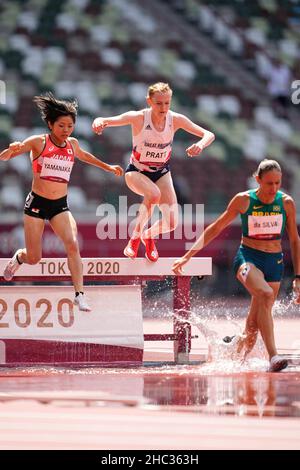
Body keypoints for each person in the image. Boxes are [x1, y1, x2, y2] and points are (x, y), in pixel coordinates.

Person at [173, 159, 300, 372]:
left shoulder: (286, 203)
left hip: (274, 263)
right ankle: (274, 356)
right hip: (248, 259)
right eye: (269, 183)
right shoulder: (243, 201)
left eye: (277, 183)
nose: (274, 188)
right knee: (265, 293)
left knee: (252, 327)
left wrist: (298, 277)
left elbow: (295, 240)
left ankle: (232, 355)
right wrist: (188, 255)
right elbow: (216, 228)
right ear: (257, 179)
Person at [0, 92, 123, 311]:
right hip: (36, 205)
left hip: (59, 206)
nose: (66, 130)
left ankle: (79, 294)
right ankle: (19, 258)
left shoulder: (72, 144)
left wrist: (109, 167)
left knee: (73, 244)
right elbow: (7, 156)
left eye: (70, 126)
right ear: (50, 124)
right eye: (61, 126)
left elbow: (86, 157)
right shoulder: (38, 142)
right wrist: (10, 151)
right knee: (34, 257)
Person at [92, 82, 215, 262]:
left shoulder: (176, 119)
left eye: (167, 103)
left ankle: (148, 235)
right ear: (149, 101)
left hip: (162, 173)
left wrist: (200, 145)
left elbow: (208, 134)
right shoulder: (139, 118)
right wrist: (100, 122)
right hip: (136, 171)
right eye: (159, 103)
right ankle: (134, 239)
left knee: (172, 223)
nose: (163, 108)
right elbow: (105, 119)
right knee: (153, 194)